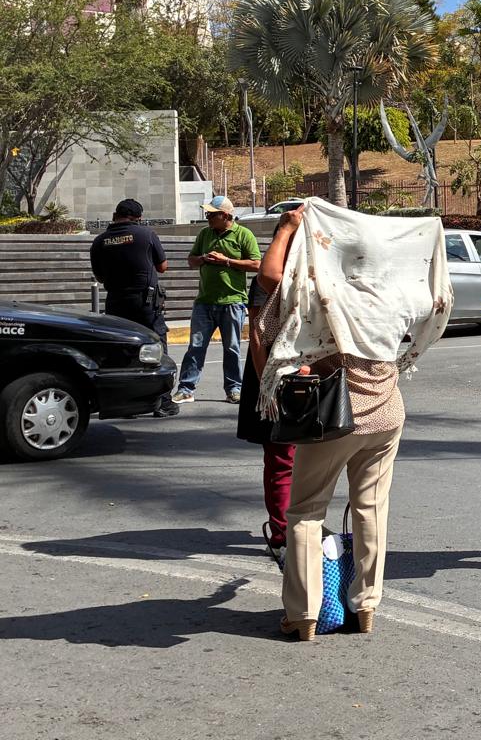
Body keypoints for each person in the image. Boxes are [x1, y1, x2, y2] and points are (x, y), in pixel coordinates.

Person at [266, 203, 450, 641]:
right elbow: (437, 303)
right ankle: (366, 603)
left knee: (306, 511)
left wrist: (288, 229)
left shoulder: (328, 295)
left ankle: (304, 613)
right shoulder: (400, 296)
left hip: (335, 414)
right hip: (386, 412)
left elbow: (271, 280)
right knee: (371, 509)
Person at [89, 199, 179, 416]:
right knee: (156, 347)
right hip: (145, 302)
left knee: (121, 350)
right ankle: (163, 402)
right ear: (139, 218)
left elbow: (99, 277)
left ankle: (125, 403)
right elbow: (162, 266)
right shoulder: (146, 235)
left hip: (116, 302)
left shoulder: (99, 241)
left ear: (115, 215)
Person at [238, 223, 294, 566]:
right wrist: (267, 386)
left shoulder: (312, 275)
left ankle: (291, 529)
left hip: (303, 375)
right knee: (282, 458)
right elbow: (258, 338)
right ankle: (282, 533)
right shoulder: (269, 279)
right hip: (275, 377)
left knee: (294, 460)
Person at [172, 196, 261, 405]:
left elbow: (256, 264)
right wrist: (203, 259)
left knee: (232, 348)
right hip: (204, 302)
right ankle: (186, 389)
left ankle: (234, 389)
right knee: (196, 347)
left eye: (212, 214)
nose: (208, 217)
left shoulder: (244, 234)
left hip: (233, 302)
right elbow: (191, 260)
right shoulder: (205, 234)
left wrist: (226, 261)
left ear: (226, 215)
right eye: (207, 213)